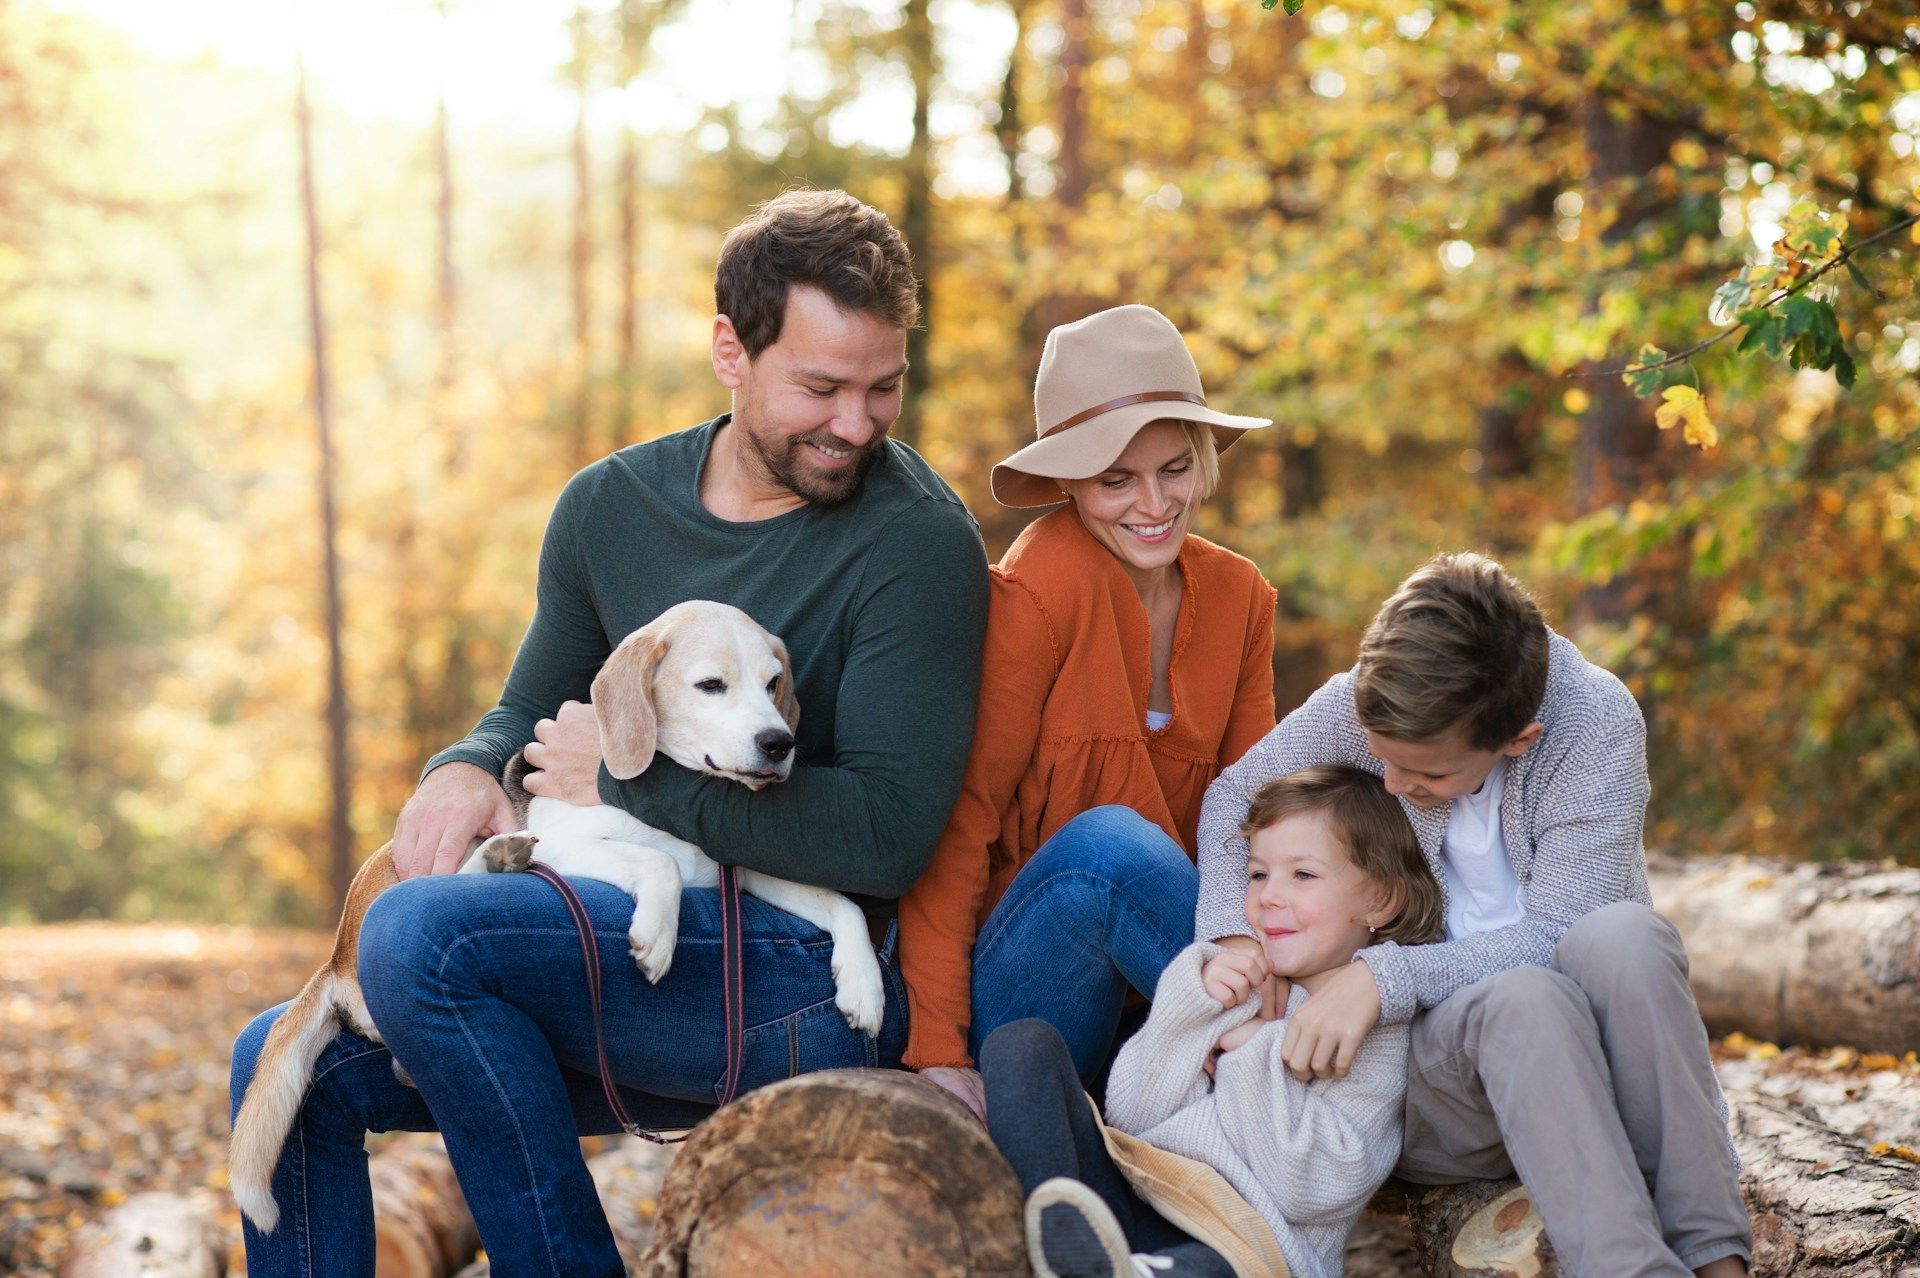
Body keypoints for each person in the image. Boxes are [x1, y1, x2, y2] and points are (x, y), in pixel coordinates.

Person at [228, 189, 990, 1278]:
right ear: (730, 349)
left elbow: (885, 836)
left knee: (421, 942)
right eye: (820, 387)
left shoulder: (917, 545)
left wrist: (630, 787)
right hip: (628, 934)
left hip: (806, 969)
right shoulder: (610, 506)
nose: (857, 425)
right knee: (283, 1061)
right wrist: (464, 768)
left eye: (885, 388)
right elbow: (528, 714)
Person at [1195, 552, 1752, 1278]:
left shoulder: (1594, 723)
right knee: (1523, 1000)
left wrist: (1379, 977)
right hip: (1434, 1079)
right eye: (1379, 758)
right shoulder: (1367, 701)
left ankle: (1717, 1257)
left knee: (1629, 938)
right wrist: (1240, 945)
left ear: (1519, 738)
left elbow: (1555, 935)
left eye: (1428, 774)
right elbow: (1232, 798)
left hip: (1588, 1054)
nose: (1392, 783)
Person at [898, 304, 1278, 1118]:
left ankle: (1267, 1071)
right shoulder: (1042, 589)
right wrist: (936, 1046)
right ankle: (1294, 1055)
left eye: (1175, 468)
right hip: (1030, 988)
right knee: (1107, 848)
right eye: (1115, 480)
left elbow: (1261, 815)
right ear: (1068, 483)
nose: (1154, 503)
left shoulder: (1241, 596)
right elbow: (961, 820)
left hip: (1166, 1004)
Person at [980, 764, 1443, 1278]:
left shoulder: (1374, 1028)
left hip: (1242, 1239)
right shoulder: (1233, 978)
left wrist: (1251, 1050)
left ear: (1380, 899)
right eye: (1258, 873)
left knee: (1205, 1270)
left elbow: (1312, 1186)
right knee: (1021, 1044)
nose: (1269, 895)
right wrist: (1191, 1005)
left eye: (1304, 874)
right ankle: (1057, 1233)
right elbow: (1133, 1115)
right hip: (1136, 1186)